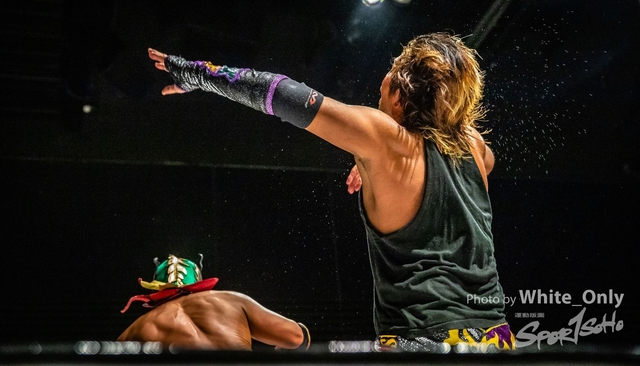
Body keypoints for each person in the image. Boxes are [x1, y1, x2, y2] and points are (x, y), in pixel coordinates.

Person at [148, 32, 514, 352]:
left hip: (424, 339)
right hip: (497, 338)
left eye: (383, 93)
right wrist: (377, 167)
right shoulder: (474, 147)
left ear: (399, 94)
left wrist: (196, 73)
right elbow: (476, 161)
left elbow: (279, 92)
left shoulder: (386, 139)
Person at [118, 254, 310, 351]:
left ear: (156, 289)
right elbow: (297, 336)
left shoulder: (133, 332)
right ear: (198, 282)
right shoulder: (231, 300)